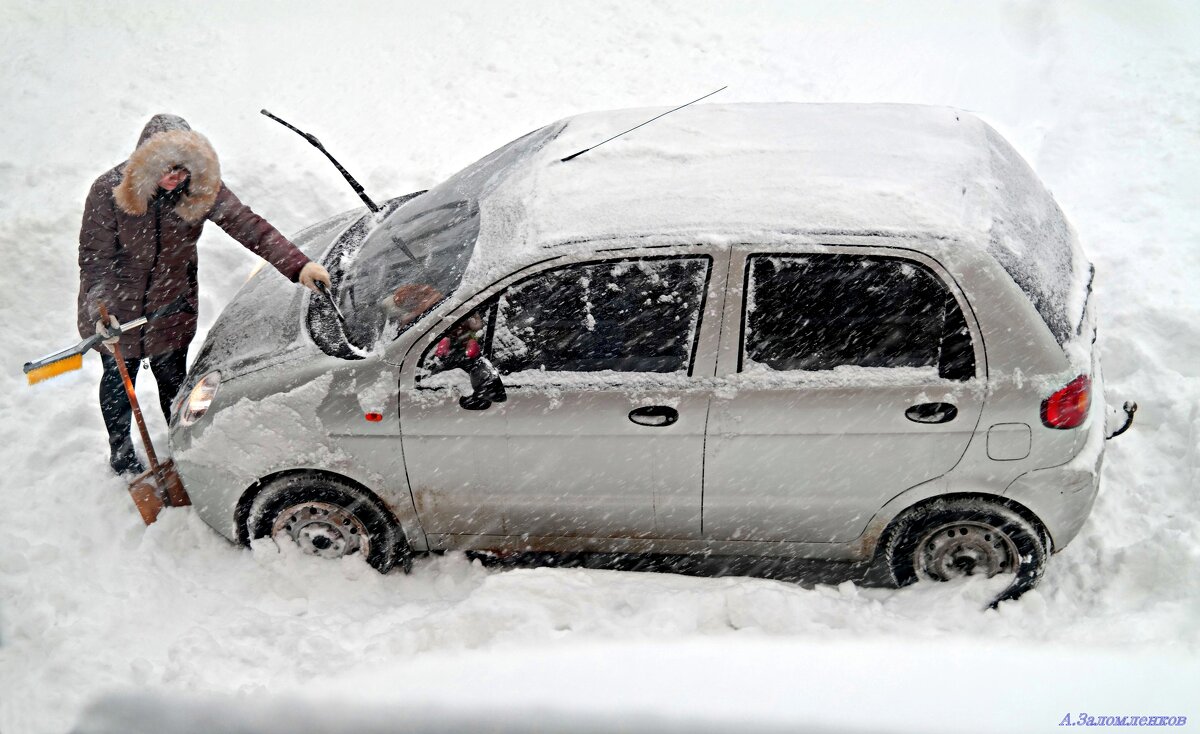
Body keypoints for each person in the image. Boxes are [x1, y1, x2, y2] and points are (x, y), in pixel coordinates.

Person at [78, 114, 331, 475]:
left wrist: (299, 265)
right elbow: (94, 259)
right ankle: (121, 454)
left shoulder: (201, 187)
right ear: (148, 162)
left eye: (183, 171)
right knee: (120, 385)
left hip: (170, 306)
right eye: (168, 169)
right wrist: (102, 309)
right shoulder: (110, 191)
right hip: (117, 312)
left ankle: (181, 451)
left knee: (173, 385)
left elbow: (249, 226)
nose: (176, 179)